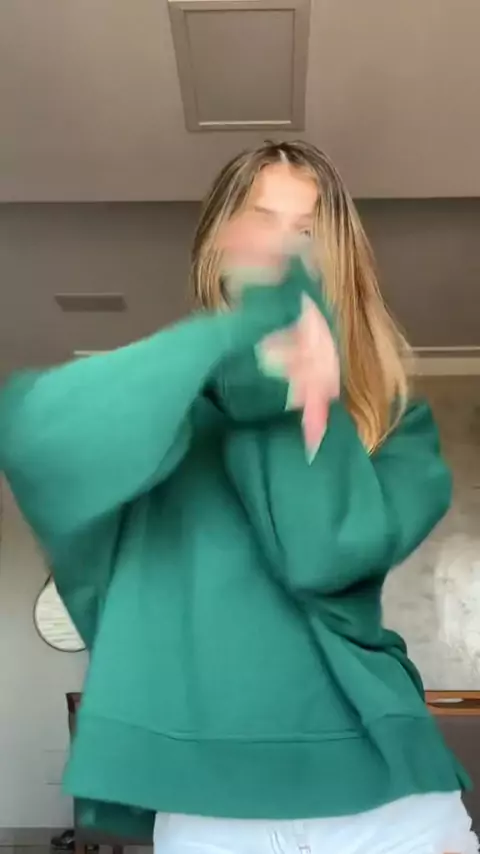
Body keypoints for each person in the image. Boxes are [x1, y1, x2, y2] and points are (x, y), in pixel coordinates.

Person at [0, 141, 476, 854]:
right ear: (215, 253)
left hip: (387, 789)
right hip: (210, 802)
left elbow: (321, 555)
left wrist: (296, 396)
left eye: (307, 231)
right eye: (259, 223)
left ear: (339, 259)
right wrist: (242, 345)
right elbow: (35, 438)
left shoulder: (399, 426)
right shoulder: (164, 411)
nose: (282, 252)